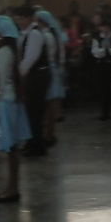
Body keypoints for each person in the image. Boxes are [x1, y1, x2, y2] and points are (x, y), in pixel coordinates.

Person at [0, 15, 29, 203]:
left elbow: (0, 83)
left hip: (5, 102)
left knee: (11, 148)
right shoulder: (10, 50)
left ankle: (12, 188)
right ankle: (13, 186)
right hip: (11, 101)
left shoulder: (3, 53)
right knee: (13, 150)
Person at [15, 7, 51, 157]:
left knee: (35, 111)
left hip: (38, 76)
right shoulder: (25, 33)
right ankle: (32, 142)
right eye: (17, 19)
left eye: (21, 19)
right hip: (33, 75)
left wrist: (20, 74)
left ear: (30, 18)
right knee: (30, 111)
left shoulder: (35, 34)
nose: (19, 22)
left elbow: (30, 58)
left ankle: (38, 145)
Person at [36, 10, 66, 144]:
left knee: (48, 106)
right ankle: (50, 134)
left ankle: (48, 135)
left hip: (48, 70)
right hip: (53, 69)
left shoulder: (45, 36)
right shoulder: (52, 34)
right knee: (50, 105)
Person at [90, 19, 111, 120]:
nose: (105, 29)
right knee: (103, 89)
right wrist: (105, 50)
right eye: (103, 27)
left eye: (107, 27)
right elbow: (95, 52)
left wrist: (109, 50)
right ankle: (105, 112)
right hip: (101, 66)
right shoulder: (97, 39)